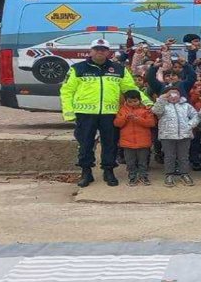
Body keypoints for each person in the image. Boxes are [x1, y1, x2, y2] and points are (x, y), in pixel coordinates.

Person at [60, 38, 148, 188]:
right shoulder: (77, 69)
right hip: (85, 114)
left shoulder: (119, 69)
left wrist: (148, 103)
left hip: (110, 114)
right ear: (91, 51)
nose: (100, 52)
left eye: (103, 49)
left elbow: (131, 90)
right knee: (85, 144)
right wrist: (69, 113)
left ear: (108, 52)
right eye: (96, 49)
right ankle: (86, 172)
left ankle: (108, 171)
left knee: (110, 144)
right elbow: (66, 91)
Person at [151, 84, 200, 187]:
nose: (173, 96)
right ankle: (169, 175)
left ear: (180, 95)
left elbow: (196, 116)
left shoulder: (186, 105)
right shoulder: (163, 105)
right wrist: (163, 98)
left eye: (176, 94)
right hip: (167, 136)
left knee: (184, 156)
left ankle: (184, 174)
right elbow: (156, 111)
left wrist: (189, 126)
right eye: (170, 94)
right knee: (169, 156)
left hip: (184, 135)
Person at [113, 89, 156, 186]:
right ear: (126, 101)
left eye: (135, 101)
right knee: (130, 162)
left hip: (143, 142)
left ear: (140, 100)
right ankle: (132, 177)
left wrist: (138, 119)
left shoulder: (146, 110)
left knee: (143, 162)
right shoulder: (122, 110)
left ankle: (143, 176)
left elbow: (151, 123)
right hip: (127, 143)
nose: (133, 103)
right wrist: (125, 118)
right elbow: (117, 124)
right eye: (130, 102)